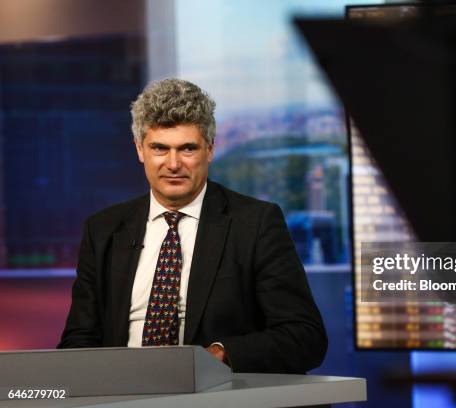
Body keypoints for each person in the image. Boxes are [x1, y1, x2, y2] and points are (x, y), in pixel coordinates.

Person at [58, 78, 327, 374]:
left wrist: (220, 354)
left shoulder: (255, 224)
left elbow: (305, 336)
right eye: (159, 149)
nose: (173, 164)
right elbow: (78, 341)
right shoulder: (103, 229)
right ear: (139, 150)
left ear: (209, 150)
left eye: (187, 149)